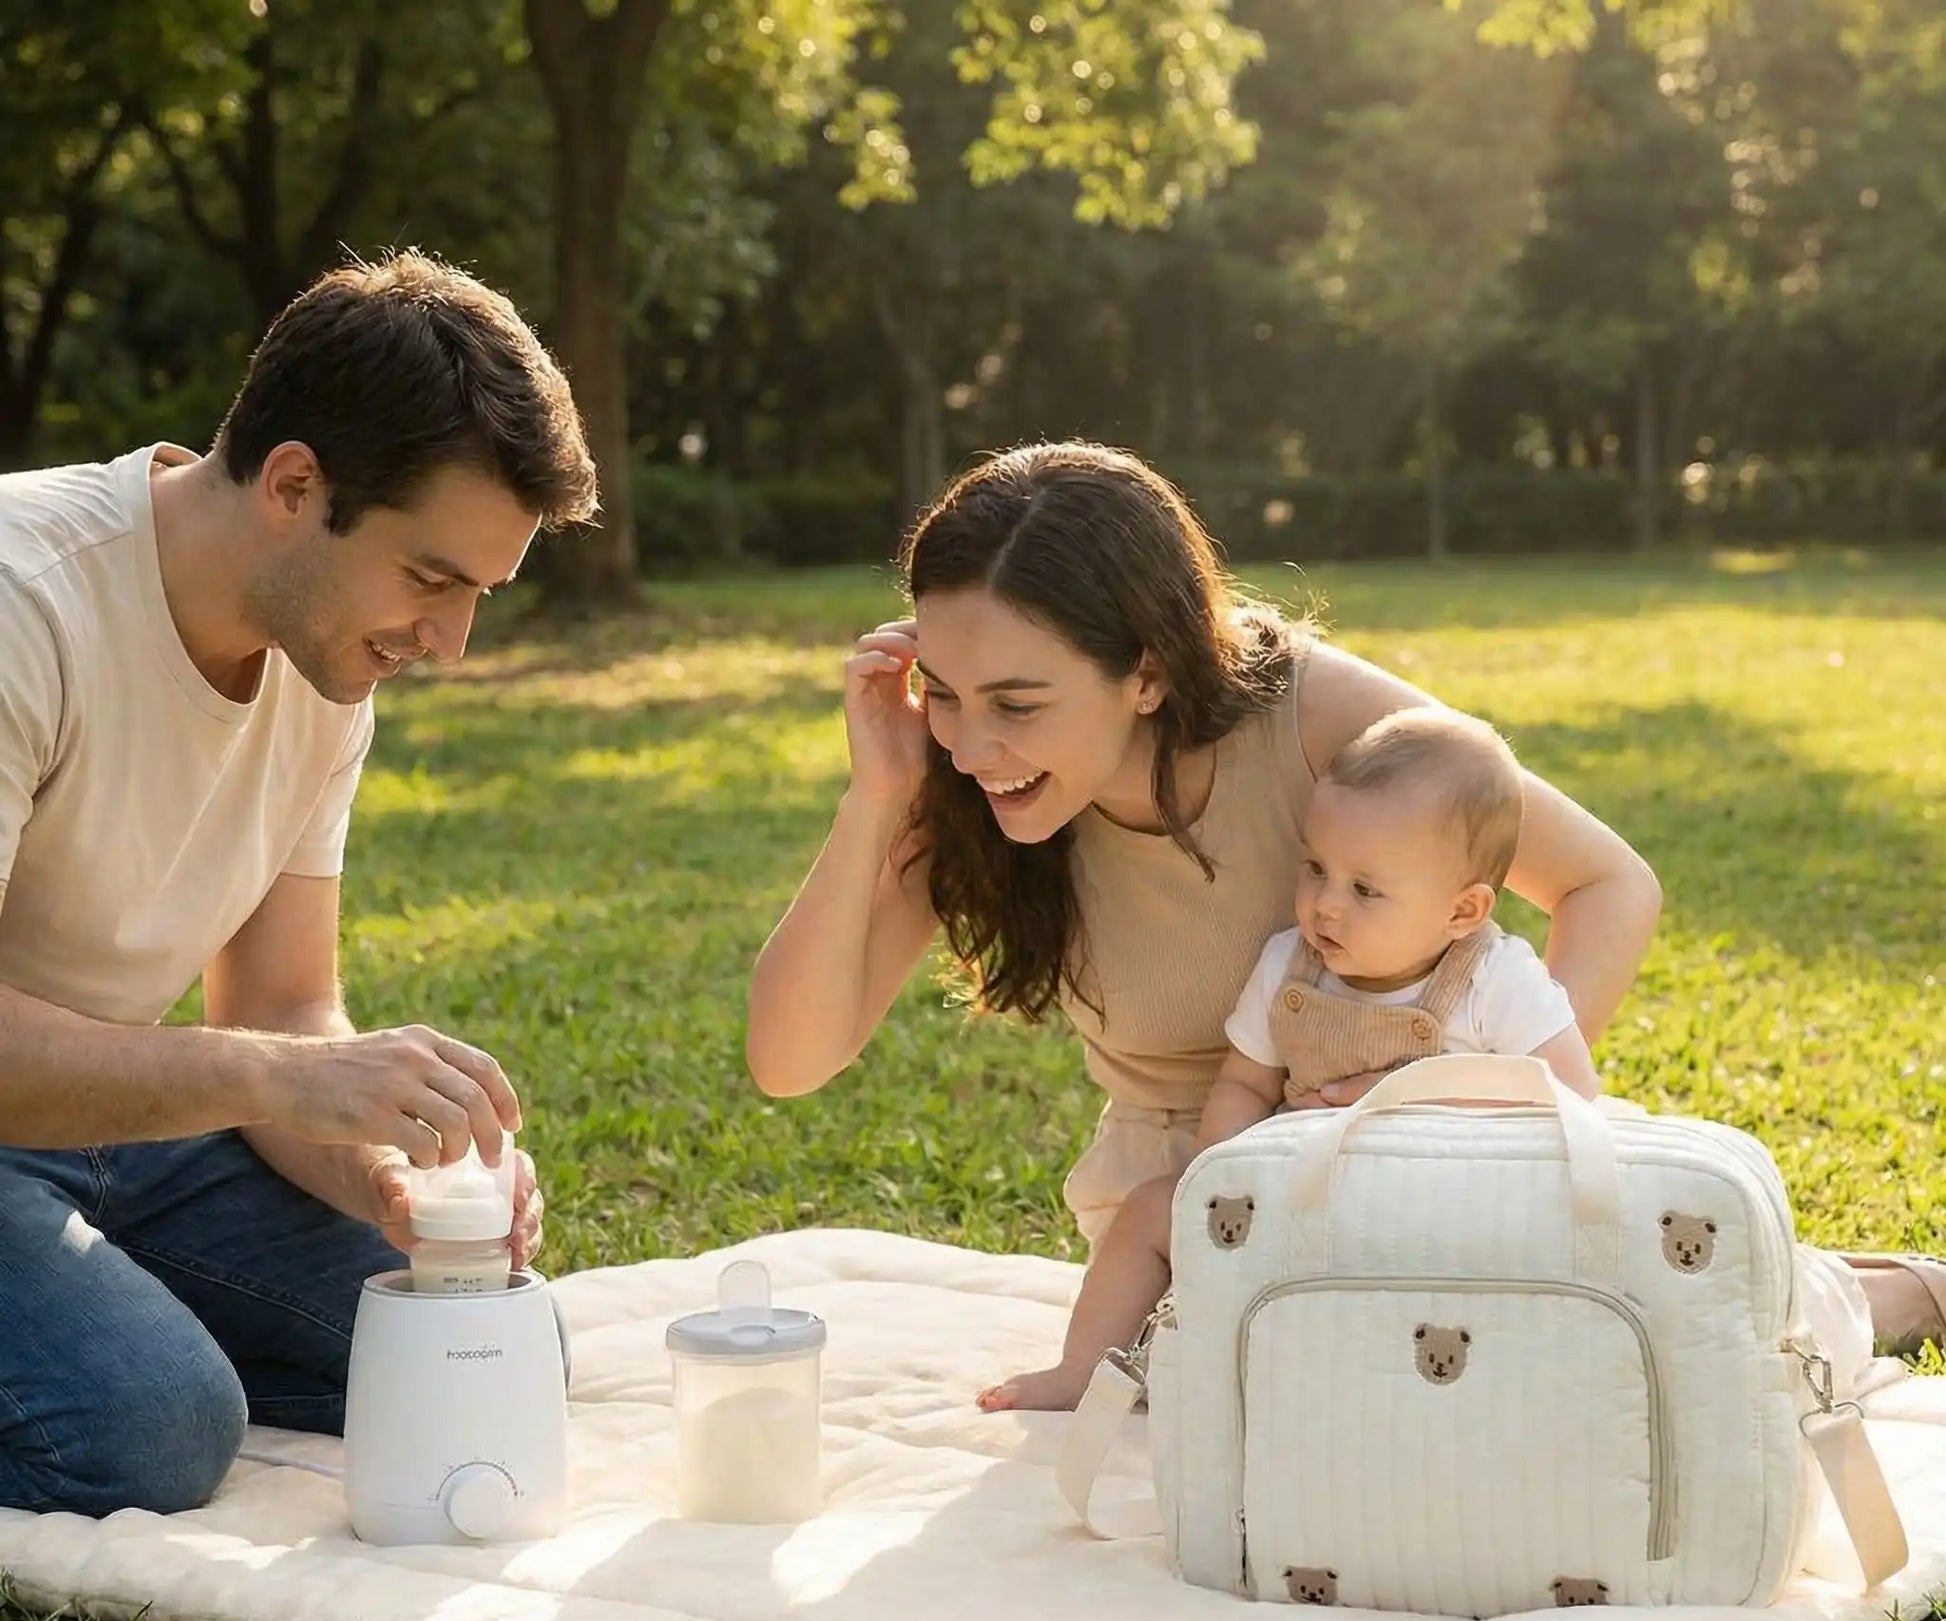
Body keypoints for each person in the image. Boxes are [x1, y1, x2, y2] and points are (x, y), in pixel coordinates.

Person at [747, 441, 1946, 1369]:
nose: (973, 742)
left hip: (1429, 1147)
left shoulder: (1305, 708)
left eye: (1015, 701)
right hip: (1194, 1196)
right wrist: (877, 793)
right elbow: (789, 1059)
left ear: (1149, 669)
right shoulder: (951, 784)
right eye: (945, 693)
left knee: (1597, 1354)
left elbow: (1608, 883)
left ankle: (1880, 1291)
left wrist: (1469, 1100)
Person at [0, 249, 598, 1518]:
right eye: (431, 578)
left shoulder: (324, 659)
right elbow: (265, 1060)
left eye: (479, 595)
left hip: (98, 1126)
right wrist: (281, 1077)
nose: (448, 641)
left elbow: (279, 998)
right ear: (292, 483)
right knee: (150, 1426)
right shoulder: (24, 602)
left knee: (473, 1340)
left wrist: (384, 1170)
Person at [979, 704, 1601, 1411]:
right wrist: (1223, 1176)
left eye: (1364, 889)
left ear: (1462, 911)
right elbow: (1246, 1079)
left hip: (1436, 1218)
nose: (1325, 907)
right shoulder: (1290, 965)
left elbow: (1571, 1094)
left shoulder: (1496, 980)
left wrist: (1418, 1096)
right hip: (1304, 1200)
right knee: (1152, 1212)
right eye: (1314, 868)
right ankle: (1087, 1369)